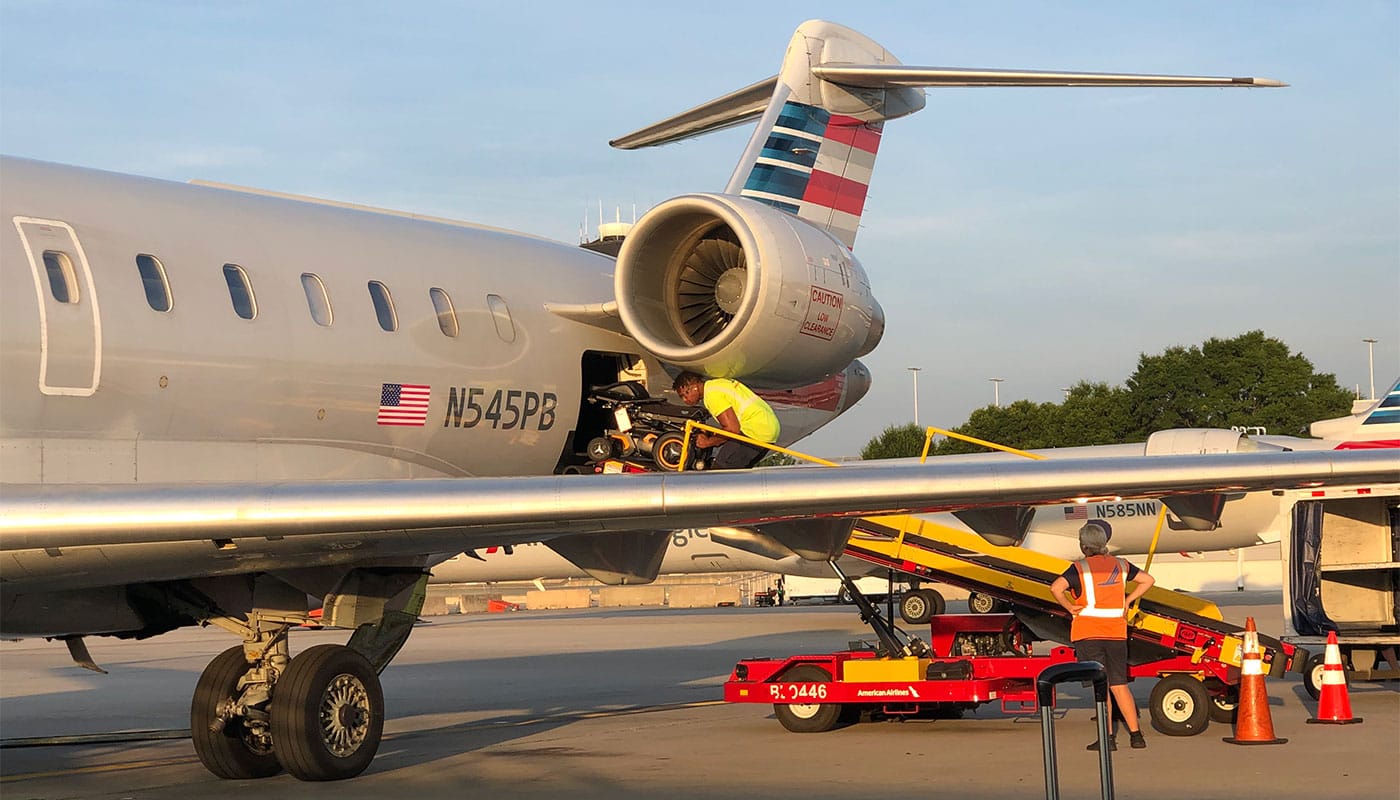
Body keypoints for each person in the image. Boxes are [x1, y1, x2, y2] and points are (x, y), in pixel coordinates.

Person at [1049, 519, 1155, 751]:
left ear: (1084, 546)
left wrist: (1070, 607)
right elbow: (1148, 580)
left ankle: (1107, 739)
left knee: (1101, 687)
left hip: (1088, 634)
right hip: (1116, 633)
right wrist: (1128, 600)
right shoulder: (1121, 564)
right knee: (1120, 685)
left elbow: (1056, 587)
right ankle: (1137, 736)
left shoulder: (1079, 568)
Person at [673, 371, 780, 469]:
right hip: (768, 428)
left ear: (694, 387)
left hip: (756, 431)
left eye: (685, 394)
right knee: (736, 476)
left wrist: (708, 442)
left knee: (720, 472)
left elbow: (732, 429)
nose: (685, 400)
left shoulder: (712, 396)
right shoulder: (716, 384)